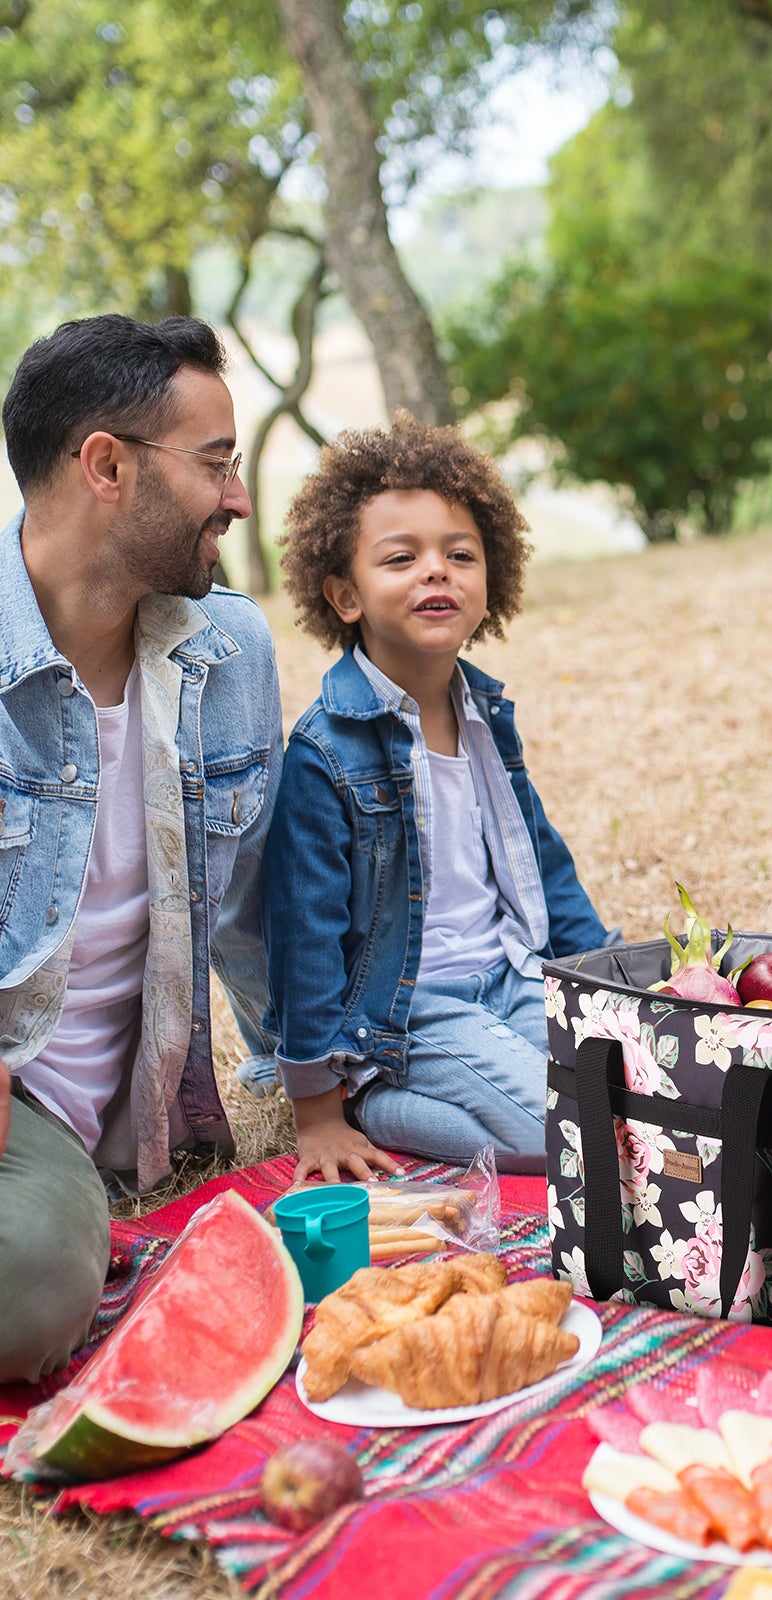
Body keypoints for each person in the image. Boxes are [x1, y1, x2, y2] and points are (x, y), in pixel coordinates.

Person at [0, 314, 281, 1383]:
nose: (240, 499)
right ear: (106, 466)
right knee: (31, 1278)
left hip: (77, 1139)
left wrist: (326, 1092)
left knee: (27, 1276)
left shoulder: (230, 650)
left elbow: (256, 909)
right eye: (216, 465)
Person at [260, 415, 611, 1184]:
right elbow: (304, 929)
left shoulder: (485, 716)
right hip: (412, 1004)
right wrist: (315, 1108)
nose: (436, 572)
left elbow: (542, 862)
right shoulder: (326, 751)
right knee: (570, 1138)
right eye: (401, 558)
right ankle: (371, 1101)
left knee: (628, 1093)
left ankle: (437, 1088)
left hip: (514, 974)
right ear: (345, 595)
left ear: (493, 581)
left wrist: (606, 981)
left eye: (460, 555)